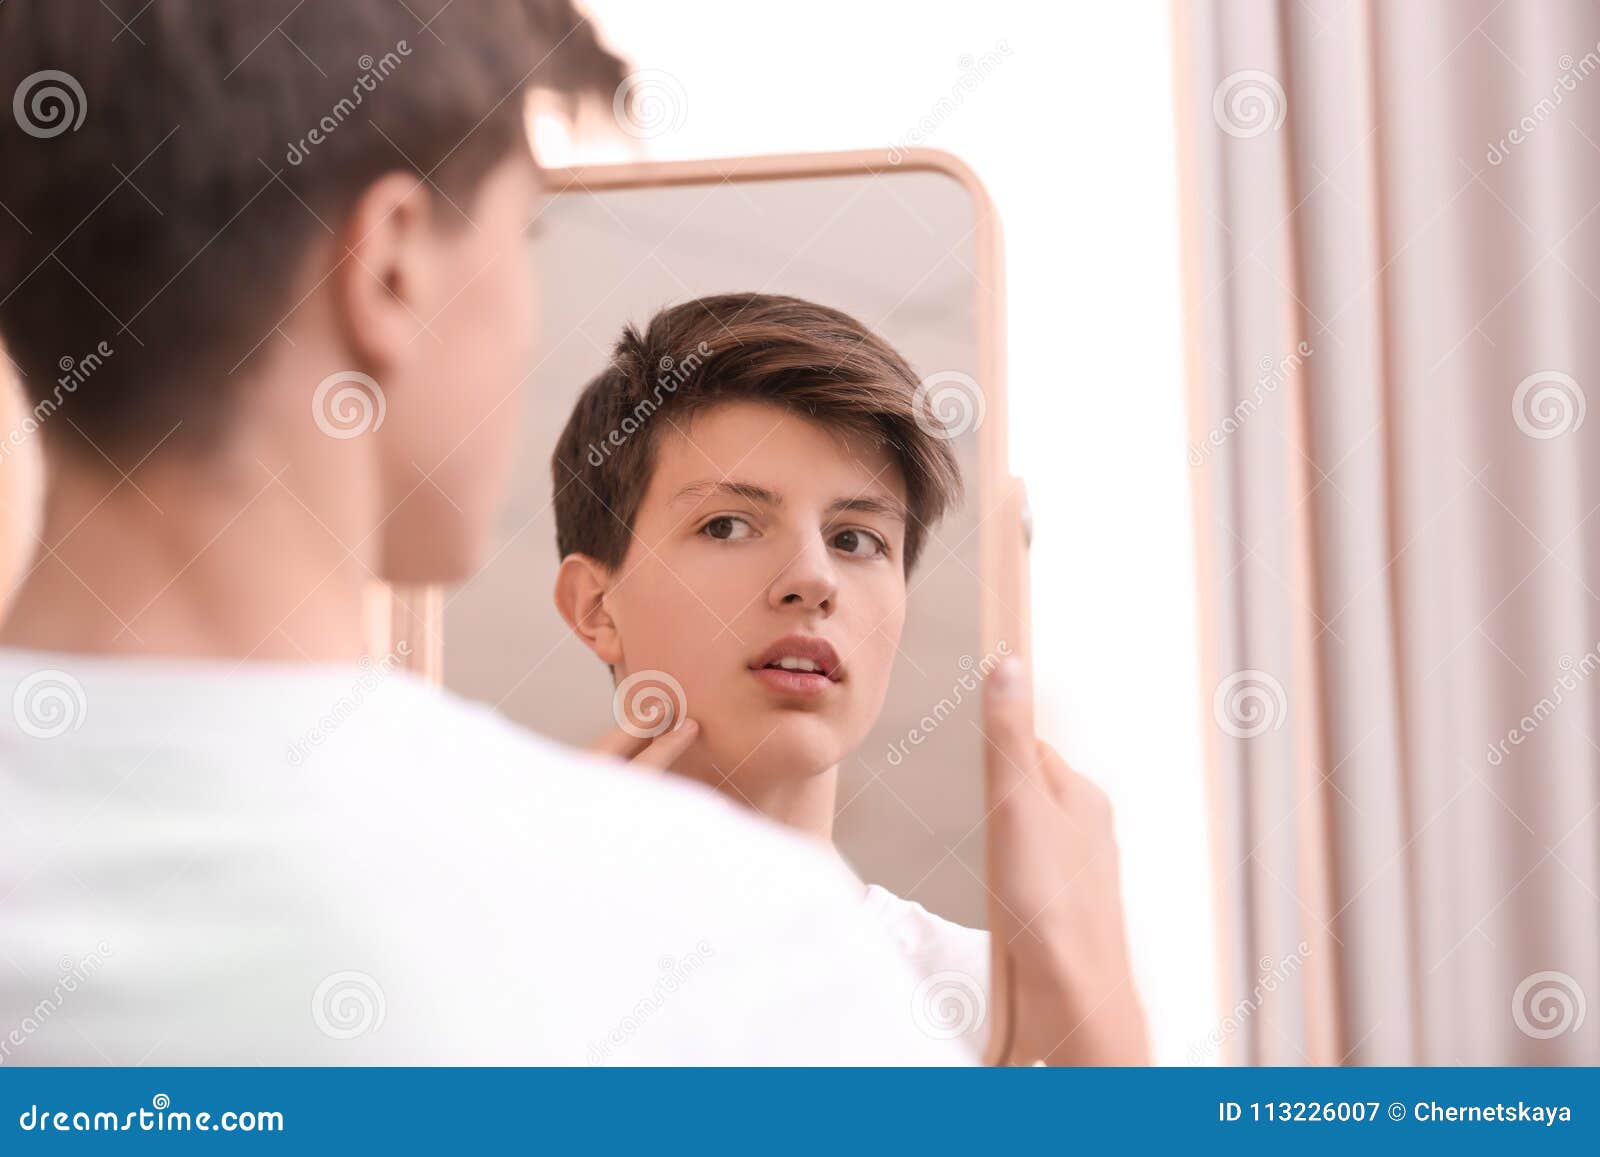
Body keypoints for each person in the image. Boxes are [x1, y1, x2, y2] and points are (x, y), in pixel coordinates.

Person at [0, 0, 1146, 1065]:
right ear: (392, 262)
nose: (809, 578)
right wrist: (1105, 1054)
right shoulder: (753, 966)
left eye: (858, 538)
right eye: (527, 236)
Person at [552, 294, 990, 1053]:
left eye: (856, 538)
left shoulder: (983, 999)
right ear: (596, 606)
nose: (813, 578)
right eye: (728, 524)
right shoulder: (489, 949)